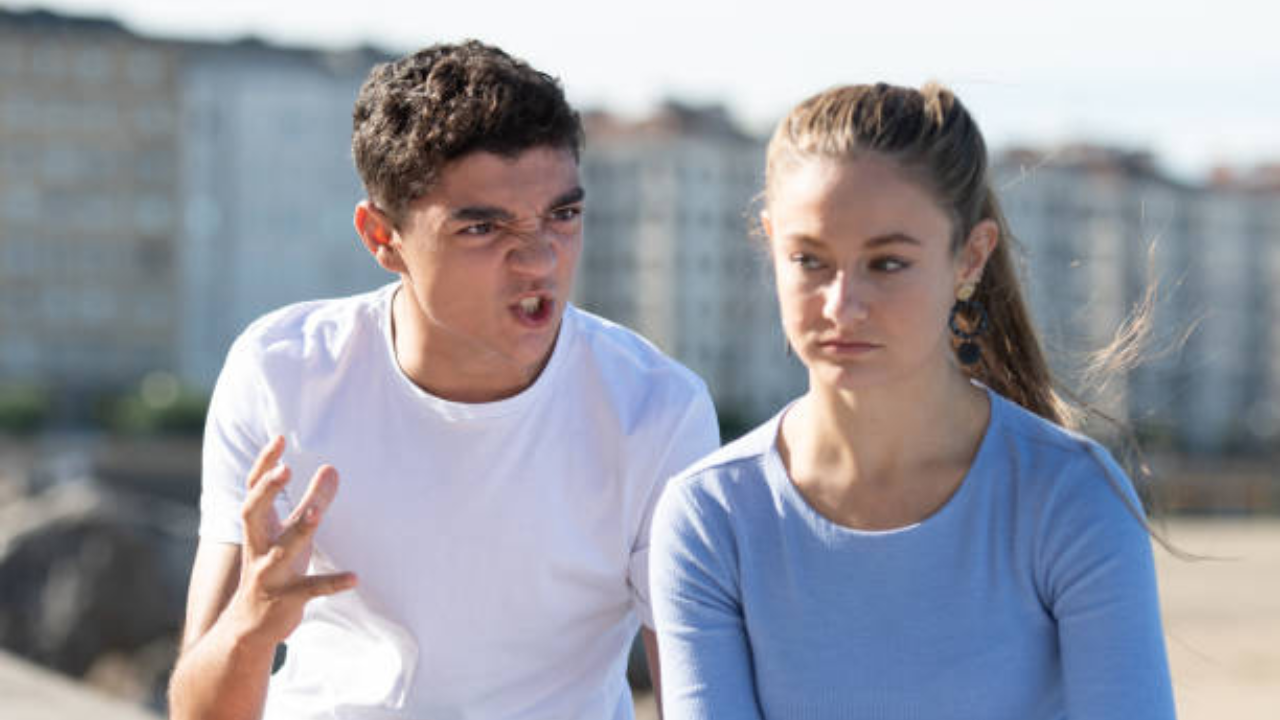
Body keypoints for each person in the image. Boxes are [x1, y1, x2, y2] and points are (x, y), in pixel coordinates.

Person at [167, 40, 719, 720]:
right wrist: (249, 629)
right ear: (381, 238)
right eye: (484, 228)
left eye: (563, 215)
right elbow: (197, 710)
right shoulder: (282, 372)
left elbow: (699, 704)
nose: (539, 259)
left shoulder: (657, 411)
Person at [650, 83, 1177, 718]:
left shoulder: (1072, 498)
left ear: (970, 257)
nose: (842, 306)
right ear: (771, 244)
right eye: (810, 260)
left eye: (888, 263)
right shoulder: (712, 516)